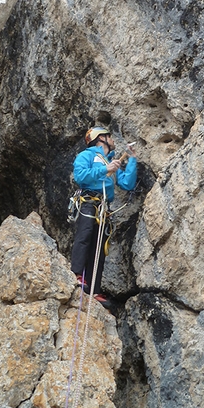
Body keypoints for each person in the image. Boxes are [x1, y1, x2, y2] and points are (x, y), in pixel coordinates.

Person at [70, 126, 137, 308]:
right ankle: (76, 274)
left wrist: (131, 159)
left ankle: (94, 288)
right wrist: (104, 169)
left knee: (100, 247)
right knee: (85, 235)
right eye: (110, 136)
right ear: (101, 138)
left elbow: (127, 184)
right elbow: (80, 176)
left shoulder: (109, 161)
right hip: (89, 202)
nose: (113, 140)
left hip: (103, 208)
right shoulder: (87, 155)